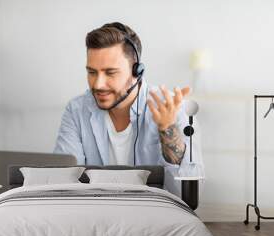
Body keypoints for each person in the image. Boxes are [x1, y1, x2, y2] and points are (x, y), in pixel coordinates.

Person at [54, 22, 202, 172]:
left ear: (136, 72)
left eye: (110, 73)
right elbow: (64, 180)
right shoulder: (77, 110)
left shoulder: (174, 108)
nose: (98, 84)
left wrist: (168, 131)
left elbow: (186, 191)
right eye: (92, 72)